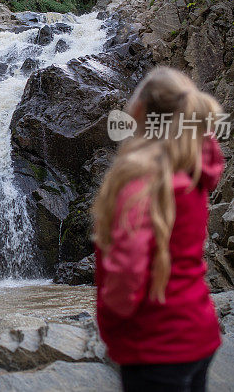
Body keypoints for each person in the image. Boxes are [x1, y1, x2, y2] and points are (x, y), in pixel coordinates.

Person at [92, 67, 224, 392]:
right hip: (198, 331)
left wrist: (110, 322)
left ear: (140, 110)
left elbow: (127, 268)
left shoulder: (142, 179)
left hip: (153, 344)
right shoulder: (194, 169)